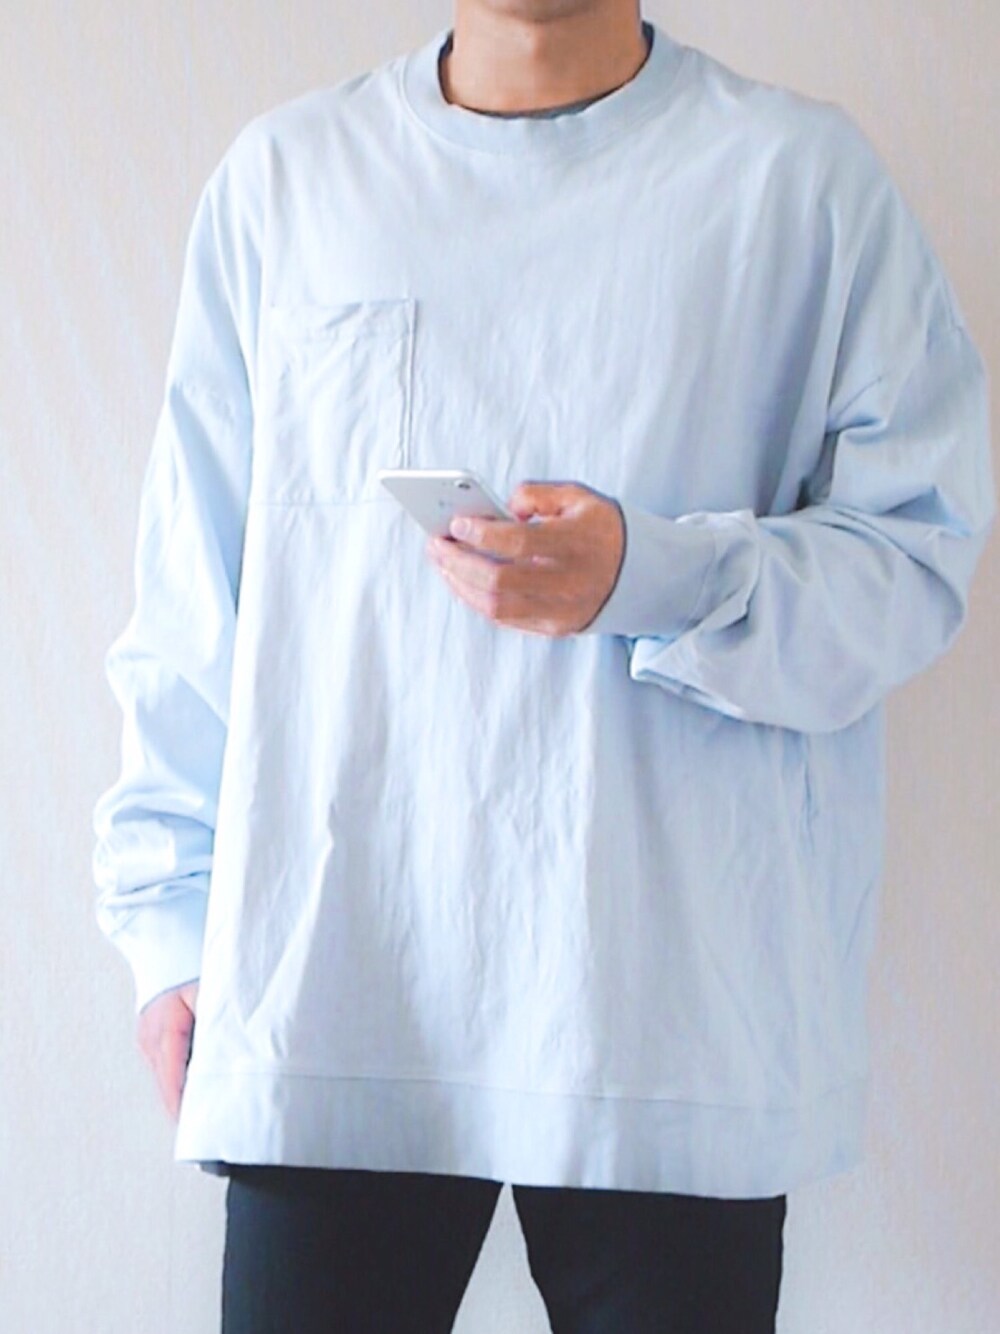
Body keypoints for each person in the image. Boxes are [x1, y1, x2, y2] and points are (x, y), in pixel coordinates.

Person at [91, 1, 996, 1330]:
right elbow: (196, 586)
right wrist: (169, 922)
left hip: (669, 1026)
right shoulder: (288, 181)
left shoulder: (800, 184)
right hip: (334, 996)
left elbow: (914, 559)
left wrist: (654, 576)